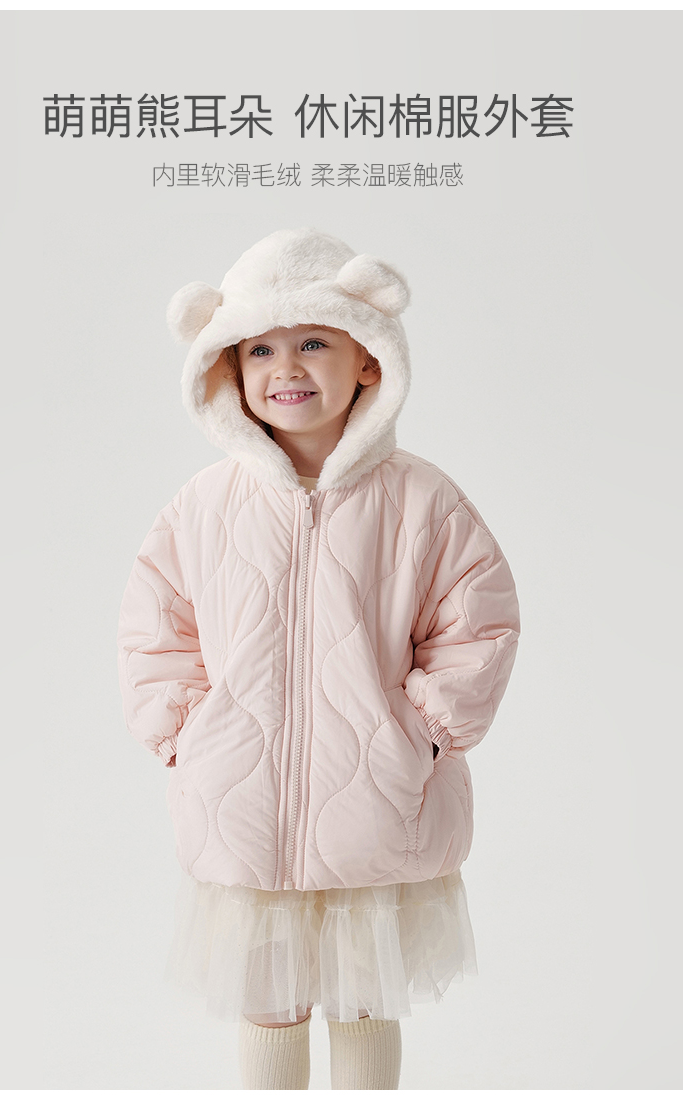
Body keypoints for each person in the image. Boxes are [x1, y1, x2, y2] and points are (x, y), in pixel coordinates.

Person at [117, 228, 520, 1090]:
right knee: (269, 1000)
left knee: (364, 1000)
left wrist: (424, 730)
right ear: (227, 370)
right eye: (259, 348)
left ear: (367, 359)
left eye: (312, 342)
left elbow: (478, 621)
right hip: (243, 802)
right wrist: (187, 731)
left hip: (380, 801)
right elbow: (155, 629)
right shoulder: (202, 505)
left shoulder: (422, 499)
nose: (285, 367)